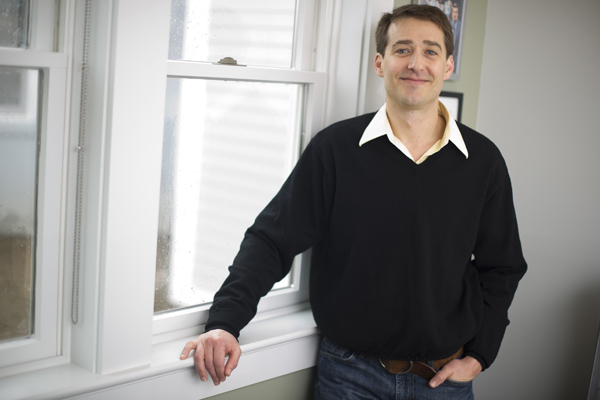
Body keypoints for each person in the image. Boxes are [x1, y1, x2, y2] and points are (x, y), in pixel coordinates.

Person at [180, 4, 527, 399]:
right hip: (349, 376)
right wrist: (225, 322)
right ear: (380, 63)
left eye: (430, 51)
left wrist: (481, 355)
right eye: (402, 49)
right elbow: (272, 241)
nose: (416, 63)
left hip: (445, 379)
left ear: (447, 66)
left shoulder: (483, 161)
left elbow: (502, 267)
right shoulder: (335, 150)